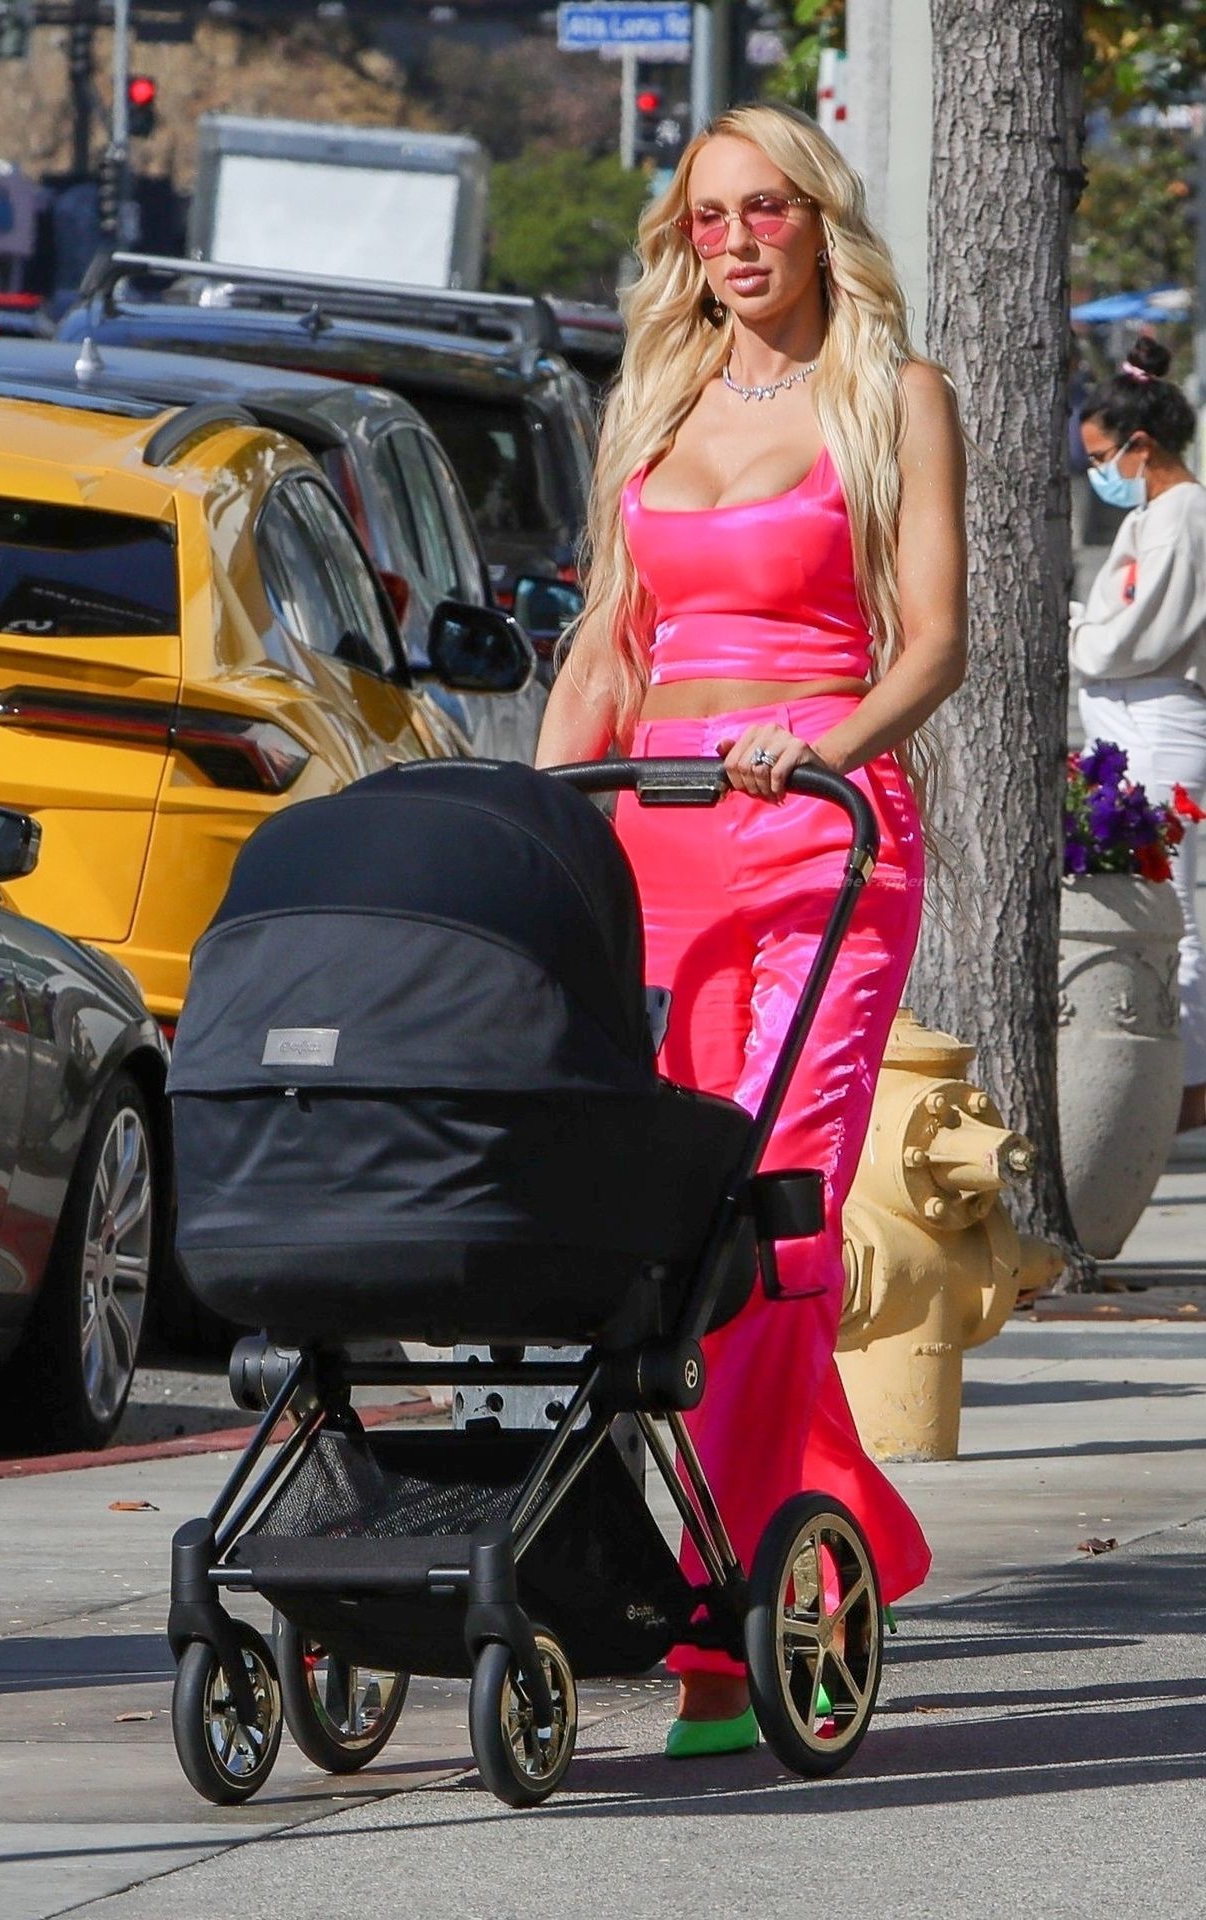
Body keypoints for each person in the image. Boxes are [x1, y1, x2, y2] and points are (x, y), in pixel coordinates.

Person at [535, 101, 967, 1756]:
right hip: (662, 855)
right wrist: (528, 831)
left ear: (816, 219)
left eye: (765, 208)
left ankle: (725, 1638)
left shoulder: (894, 395)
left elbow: (933, 642)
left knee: (774, 1223)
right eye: (708, 216)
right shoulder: (653, 396)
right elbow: (609, 645)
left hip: (824, 848)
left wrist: (828, 744)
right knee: (676, 1238)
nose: (736, 241)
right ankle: (819, 1546)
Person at [1071, 334, 1206, 1133]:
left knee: (1168, 904)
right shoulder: (1157, 513)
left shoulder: (1184, 515)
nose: (1099, 472)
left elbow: (1135, 635)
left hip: (1160, 716)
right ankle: (1180, 1079)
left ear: (1141, 445)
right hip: (1131, 716)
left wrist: (1080, 634)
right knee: (1152, 899)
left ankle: (1189, 1084)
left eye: (1103, 458)